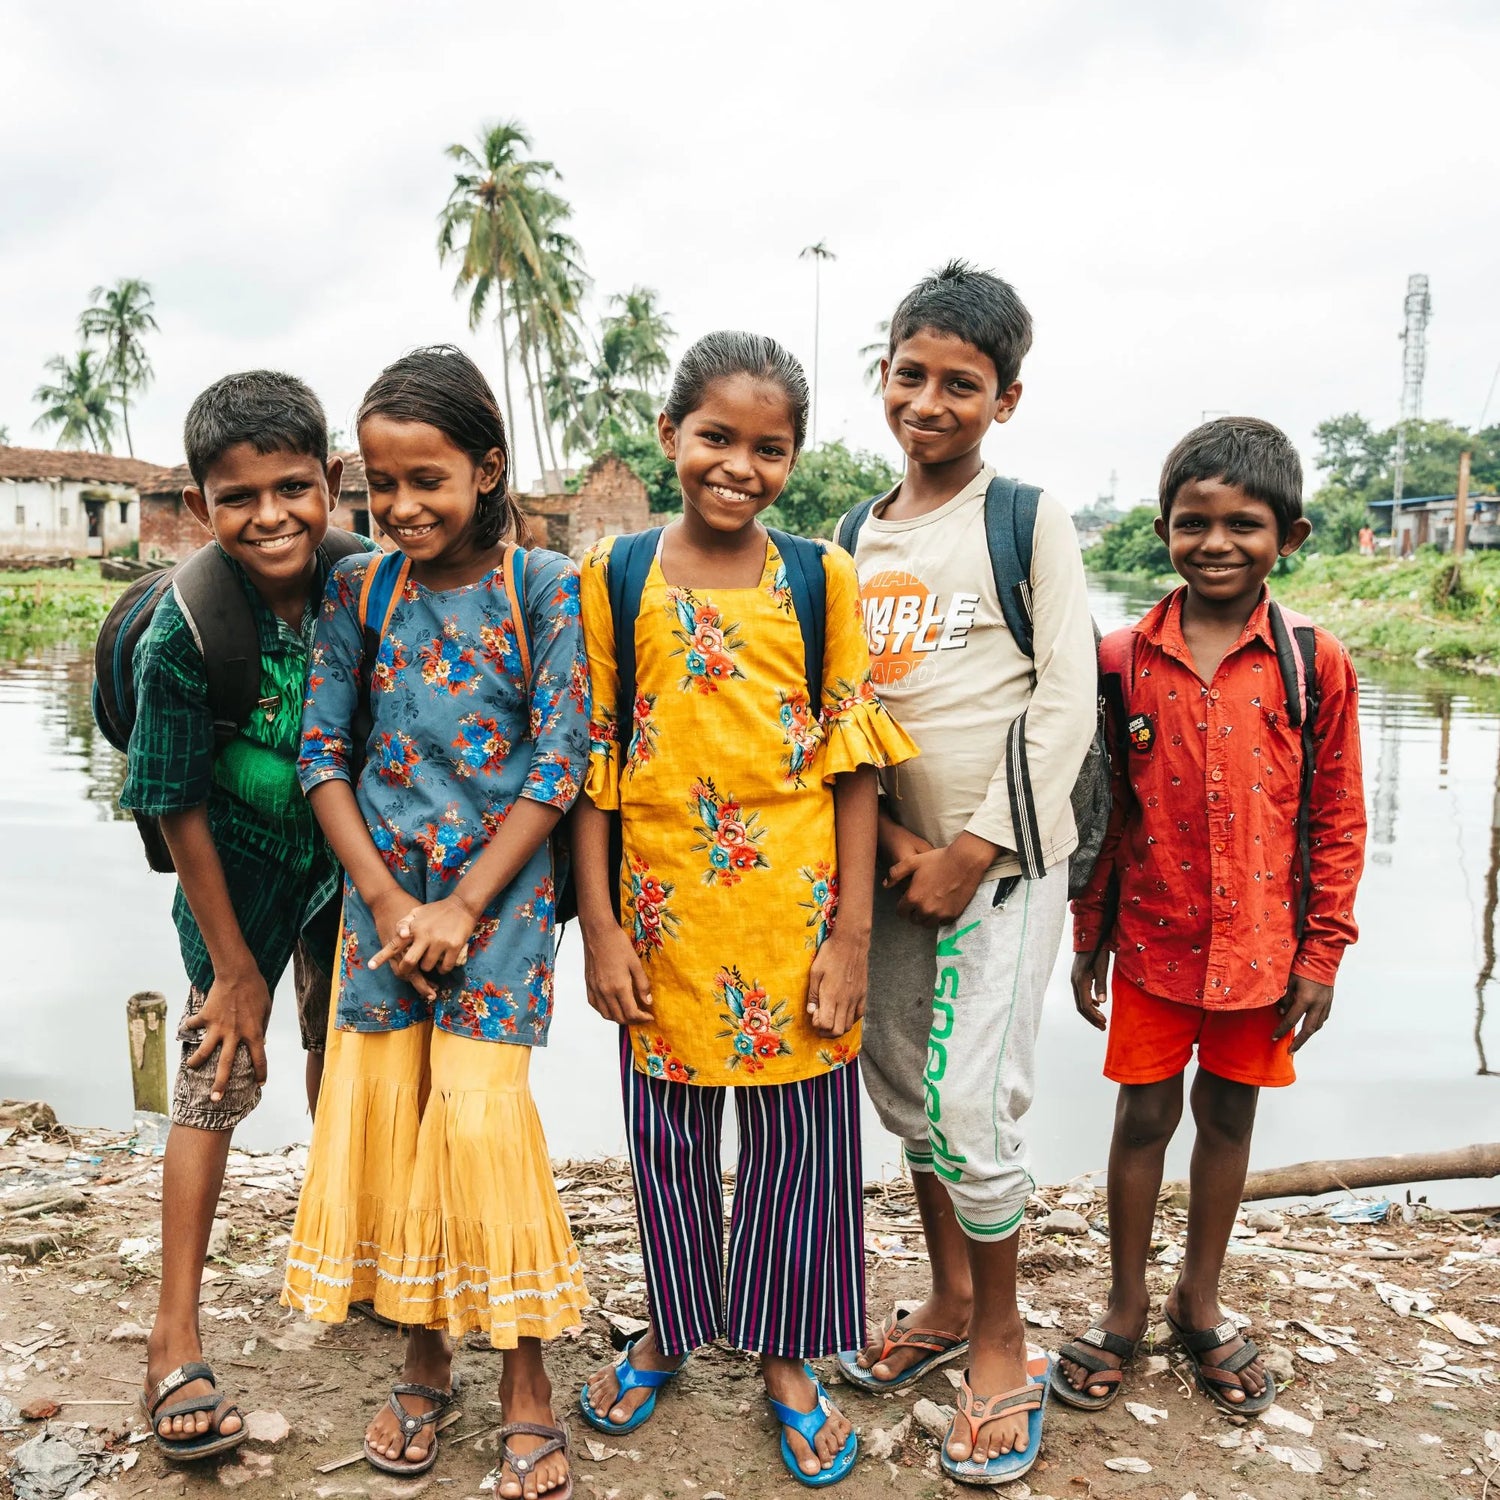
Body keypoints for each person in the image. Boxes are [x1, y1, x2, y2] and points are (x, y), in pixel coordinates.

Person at [571, 331, 916, 1487]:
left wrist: (853, 936)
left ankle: (783, 1359)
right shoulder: (615, 576)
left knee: (797, 1154)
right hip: (660, 922)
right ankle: (670, 1328)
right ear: (672, 437)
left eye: (769, 448)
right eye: (717, 438)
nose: (740, 466)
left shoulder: (821, 578)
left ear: (794, 459)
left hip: (796, 924)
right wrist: (603, 929)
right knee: (666, 1146)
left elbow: (853, 763)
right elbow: (597, 763)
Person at [281, 347, 589, 1497]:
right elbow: (325, 753)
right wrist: (388, 899)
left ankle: (523, 1378)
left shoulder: (543, 588)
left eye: (429, 480)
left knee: (476, 1124)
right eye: (380, 486)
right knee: (397, 1114)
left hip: (499, 913)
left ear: (488, 469)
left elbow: (560, 760)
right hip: (381, 905)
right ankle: (422, 1356)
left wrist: (462, 904)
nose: (402, 507)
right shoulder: (360, 590)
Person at [834, 261, 1097, 1488]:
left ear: (1007, 398)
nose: (930, 401)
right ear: (881, 375)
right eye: (911, 374)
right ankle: (944, 1299)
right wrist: (892, 848)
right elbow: (843, 710)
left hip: (1002, 865)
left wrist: (978, 847)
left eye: (962, 383)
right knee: (905, 1089)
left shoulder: (1023, 518)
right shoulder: (851, 537)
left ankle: (1002, 1340)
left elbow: (1065, 700)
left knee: (973, 1102)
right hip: (887, 866)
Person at [1057, 417, 1366, 1417]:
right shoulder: (1119, 662)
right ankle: (1124, 1302)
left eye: (1245, 524)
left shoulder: (1314, 664)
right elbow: (1103, 815)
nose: (1218, 543)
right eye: (1195, 522)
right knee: (1143, 1115)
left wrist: (1322, 953)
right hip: (1151, 940)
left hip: (1263, 953)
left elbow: (1336, 818)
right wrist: (1088, 939)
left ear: (1291, 536)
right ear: (1163, 530)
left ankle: (1200, 1297)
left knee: (1229, 1114)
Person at [123, 371, 371, 1461]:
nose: (271, 516)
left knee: (345, 1047)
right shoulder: (182, 635)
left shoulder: (370, 587)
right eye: (240, 498)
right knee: (218, 1068)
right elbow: (170, 802)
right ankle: (172, 1334)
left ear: (330, 483)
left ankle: (353, 1250)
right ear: (198, 507)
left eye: (293, 487)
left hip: (355, 857)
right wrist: (233, 969)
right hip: (239, 868)